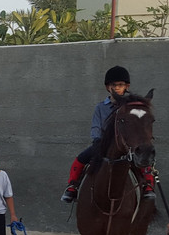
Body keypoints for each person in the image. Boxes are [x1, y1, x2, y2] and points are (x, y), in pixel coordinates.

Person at [61, 65, 155, 203]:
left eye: (121, 85)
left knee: (141, 157)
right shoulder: (100, 107)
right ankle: (72, 186)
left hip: (125, 144)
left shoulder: (130, 106)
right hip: (103, 144)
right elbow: (95, 127)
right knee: (82, 158)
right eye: (113, 85)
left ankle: (148, 185)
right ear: (107, 87)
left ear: (127, 86)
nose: (117, 88)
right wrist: (98, 140)